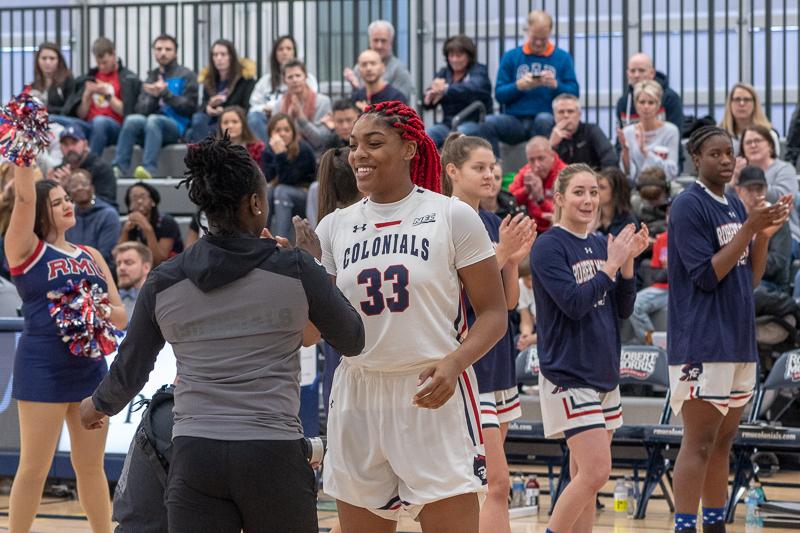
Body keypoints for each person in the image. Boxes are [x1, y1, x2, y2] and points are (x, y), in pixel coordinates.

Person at [79, 134, 365, 533]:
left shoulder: (164, 280)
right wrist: (316, 269)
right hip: (273, 454)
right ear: (255, 203)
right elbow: (352, 338)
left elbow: (132, 366)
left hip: (195, 455)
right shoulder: (295, 269)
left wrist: (97, 405)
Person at [316, 100, 508, 532]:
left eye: (374, 143)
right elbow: (313, 332)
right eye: (353, 145)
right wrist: (300, 271)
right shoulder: (334, 227)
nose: (358, 155)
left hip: (431, 390)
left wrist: (455, 363)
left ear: (409, 148)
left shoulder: (452, 215)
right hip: (357, 395)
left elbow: (495, 314)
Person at [668, 126, 791, 533]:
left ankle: (715, 525)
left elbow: (749, 279)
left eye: (730, 154)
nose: (726, 160)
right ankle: (685, 525)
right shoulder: (688, 206)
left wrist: (762, 236)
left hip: (738, 339)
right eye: (716, 154)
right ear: (696, 158)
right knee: (698, 441)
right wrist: (748, 229)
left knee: (723, 441)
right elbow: (706, 275)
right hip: (701, 341)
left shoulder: (735, 206)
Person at [4, 159, 127, 533]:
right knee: (34, 467)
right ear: (41, 213)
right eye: (56, 203)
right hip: (42, 366)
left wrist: (95, 308)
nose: (67, 205)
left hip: (90, 369)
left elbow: (120, 315)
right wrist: (24, 157)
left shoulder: (91, 254)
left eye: (66, 199)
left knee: (91, 466)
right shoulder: (25, 249)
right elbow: (24, 198)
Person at [530, 163, 647, 533]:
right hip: (568, 372)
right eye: (579, 192)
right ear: (560, 198)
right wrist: (610, 266)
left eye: (594, 192)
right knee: (597, 471)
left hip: (603, 372)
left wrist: (626, 264)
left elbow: (623, 309)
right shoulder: (548, 246)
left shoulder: (600, 244)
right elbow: (575, 304)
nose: (588, 200)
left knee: (584, 476)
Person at [441, 133, 536, 533]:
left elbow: (509, 301)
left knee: (485, 485)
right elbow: (449, 290)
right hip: (467, 363)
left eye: (492, 167)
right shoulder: (442, 219)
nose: (491, 174)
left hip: (498, 365)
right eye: (479, 168)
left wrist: (512, 260)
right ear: (452, 171)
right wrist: (500, 253)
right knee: (496, 484)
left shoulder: (494, 221)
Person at [478, 10, 579, 155]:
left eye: (543, 39)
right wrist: (518, 86)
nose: (538, 43)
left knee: (543, 119)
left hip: (545, 118)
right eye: (534, 38)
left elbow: (574, 93)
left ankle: (543, 166)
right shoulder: (511, 57)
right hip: (514, 120)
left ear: (550, 33)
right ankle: (494, 168)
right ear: (526, 31)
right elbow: (499, 95)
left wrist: (556, 85)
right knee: (487, 123)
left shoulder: (562, 58)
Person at [112, 34, 198, 180]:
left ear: (175, 52)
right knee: (132, 120)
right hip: (151, 126)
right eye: (159, 49)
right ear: (154, 52)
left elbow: (189, 107)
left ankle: (149, 169)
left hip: (176, 126)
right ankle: (119, 168)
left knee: (153, 120)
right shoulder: (151, 76)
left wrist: (165, 93)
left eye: (168, 49)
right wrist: (153, 95)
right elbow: (140, 110)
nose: (163, 52)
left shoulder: (186, 75)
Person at [60, 37, 142, 157]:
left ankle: (91, 164)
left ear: (113, 54)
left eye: (105, 62)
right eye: (98, 63)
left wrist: (107, 96)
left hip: (115, 127)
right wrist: (87, 95)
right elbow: (82, 114)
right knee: (55, 119)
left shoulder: (126, 78)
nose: (102, 67)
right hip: (89, 125)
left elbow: (126, 112)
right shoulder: (90, 77)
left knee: (100, 122)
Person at [735, 124, 800, 256]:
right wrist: (733, 182)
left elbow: (783, 197)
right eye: (748, 142)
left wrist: (753, 184)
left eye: (757, 141)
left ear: (770, 145)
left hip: (784, 234)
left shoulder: (784, 169)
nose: (753, 145)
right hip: (745, 233)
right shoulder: (737, 173)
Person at [423, 35, 493, 149]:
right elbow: (430, 99)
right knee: (425, 139)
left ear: (469, 56)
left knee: (456, 139)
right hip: (448, 124)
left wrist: (446, 89)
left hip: (473, 123)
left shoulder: (478, 70)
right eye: (451, 55)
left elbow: (474, 87)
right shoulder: (444, 73)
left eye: (459, 55)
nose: (455, 59)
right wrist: (429, 97)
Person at [248, 35, 320, 141]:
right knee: (253, 117)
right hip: (268, 120)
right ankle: (271, 148)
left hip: (298, 117)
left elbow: (312, 99)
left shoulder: (308, 78)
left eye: (289, 48)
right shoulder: (265, 80)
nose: (285, 52)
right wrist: (265, 108)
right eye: (280, 49)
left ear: (294, 52)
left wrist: (278, 106)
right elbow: (253, 105)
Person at [734, 166, 792, 293]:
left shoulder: (777, 218)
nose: (755, 195)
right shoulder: (732, 218)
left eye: (759, 189)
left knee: (742, 291)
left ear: (766, 189)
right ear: (738, 191)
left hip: (772, 284)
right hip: (740, 279)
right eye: (749, 190)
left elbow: (778, 263)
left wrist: (743, 260)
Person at [261, 113, 316, 241]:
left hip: (304, 197)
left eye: (287, 130)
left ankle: (281, 243)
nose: (282, 134)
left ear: (293, 132)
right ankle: (262, 239)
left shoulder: (303, 149)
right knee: (268, 192)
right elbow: (268, 178)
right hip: (280, 194)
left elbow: (289, 180)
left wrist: (281, 154)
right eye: (278, 130)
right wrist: (276, 153)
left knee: (281, 190)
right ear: (271, 134)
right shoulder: (268, 151)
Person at [189, 39, 257, 142]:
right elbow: (203, 104)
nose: (219, 58)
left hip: (233, 121)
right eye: (215, 55)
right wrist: (208, 108)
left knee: (196, 133)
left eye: (223, 54)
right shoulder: (208, 79)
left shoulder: (246, 78)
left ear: (232, 57)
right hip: (212, 120)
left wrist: (225, 111)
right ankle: (205, 155)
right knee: (198, 119)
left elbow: (247, 107)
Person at [619, 80, 680, 184]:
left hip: (664, 186)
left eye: (651, 102)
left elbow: (672, 171)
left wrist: (646, 152)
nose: (646, 107)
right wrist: (625, 152)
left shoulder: (671, 131)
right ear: (636, 105)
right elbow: (628, 174)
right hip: (637, 188)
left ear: (658, 105)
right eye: (642, 102)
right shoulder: (627, 132)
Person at [47, 126, 117, 207]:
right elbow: (51, 207)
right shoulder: (58, 172)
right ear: (60, 147)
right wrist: (51, 190)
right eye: (65, 144)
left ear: (85, 144)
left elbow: (107, 204)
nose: (70, 148)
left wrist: (72, 186)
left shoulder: (101, 168)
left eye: (74, 142)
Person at [343, 20, 414, 100]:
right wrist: (355, 86)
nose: (379, 45)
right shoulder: (358, 68)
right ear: (370, 41)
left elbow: (401, 102)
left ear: (391, 42)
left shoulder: (399, 70)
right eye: (375, 40)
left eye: (383, 41)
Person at [508, 136, 567, 232]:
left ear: (552, 156)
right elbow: (508, 201)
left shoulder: (565, 175)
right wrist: (526, 191)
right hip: (532, 230)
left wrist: (541, 200)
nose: (537, 165)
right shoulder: (526, 172)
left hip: (559, 230)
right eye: (531, 160)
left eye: (541, 158)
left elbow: (567, 212)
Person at [118, 181, 184, 266]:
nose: (139, 201)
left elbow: (159, 261)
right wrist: (125, 232)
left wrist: (147, 229)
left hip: (170, 270)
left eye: (143, 197)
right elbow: (118, 256)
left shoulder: (167, 223)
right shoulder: (128, 225)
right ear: (130, 205)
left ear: (153, 201)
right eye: (134, 198)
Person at [616, 52, 683, 134]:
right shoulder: (623, 103)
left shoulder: (670, 98)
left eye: (641, 70)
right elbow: (620, 140)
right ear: (627, 74)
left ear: (652, 73)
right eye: (632, 71)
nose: (636, 75)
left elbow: (675, 135)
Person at [274, 59, 333, 153]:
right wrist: (288, 120)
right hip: (287, 154)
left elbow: (321, 140)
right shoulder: (278, 105)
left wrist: (301, 117)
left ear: (305, 76)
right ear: (284, 80)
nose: (295, 80)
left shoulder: (323, 102)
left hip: (315, 156)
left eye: (298, 75)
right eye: (290, 77)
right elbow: (275, 139)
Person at [64, 169, 120, 265]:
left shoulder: (108, 214)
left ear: (92, 188)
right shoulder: (67, 216)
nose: (79, 188)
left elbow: (105, 254)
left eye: (84, 184)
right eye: (74, 186)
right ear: (69, 191)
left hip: (101, 270)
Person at [630, 212, 669, 345]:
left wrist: (667, 269)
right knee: (634, 304)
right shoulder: (662, 239)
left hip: (682, 289)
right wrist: (670, 269)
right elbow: (656, 276)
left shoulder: (691, 239)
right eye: (669, 212)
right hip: (662, 288)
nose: (670, 216)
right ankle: (652, 344)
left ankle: (655, 345)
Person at [550, 93, 617, 169]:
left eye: (570, 111)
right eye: (561, 112)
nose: (566, 115)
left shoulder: (591, 130)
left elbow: (610, 158)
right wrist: (551, 145)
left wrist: (601, 180)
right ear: (554, 116)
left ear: (579, 115)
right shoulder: (550, 134)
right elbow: (543, 169)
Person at [719, 82, 780, 157]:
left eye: (747, 99)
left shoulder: (769, 135)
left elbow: (774, 166)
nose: (741, 103)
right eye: (737, 99)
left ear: (755, 104)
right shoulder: (719, 136)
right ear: (730, 104)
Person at [29, 42, 75, 117]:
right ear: (38, 60)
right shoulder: (33, 86)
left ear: (59, 60)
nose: (48, 62)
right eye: (44, 58)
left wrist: (44, 109)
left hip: (62, 121)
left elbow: (69, 109)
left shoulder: (68, 80)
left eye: (52, 58)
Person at [113, 241, 153, 320]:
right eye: (118, 264)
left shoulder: (155, 301)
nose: (121, 268)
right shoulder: (109, 301)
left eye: (128, 262)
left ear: (146, 267)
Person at [596, 167, 638, 237]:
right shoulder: (589, 216)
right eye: (595, 187)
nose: (596, 191)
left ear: (616, 192)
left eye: (602, 188)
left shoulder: (629, 223)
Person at [635, 166, 670, 237]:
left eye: (655, 197)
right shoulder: (635, 203)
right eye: (647, 198)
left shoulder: (677, 199)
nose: (652, 203)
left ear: (665, 191)